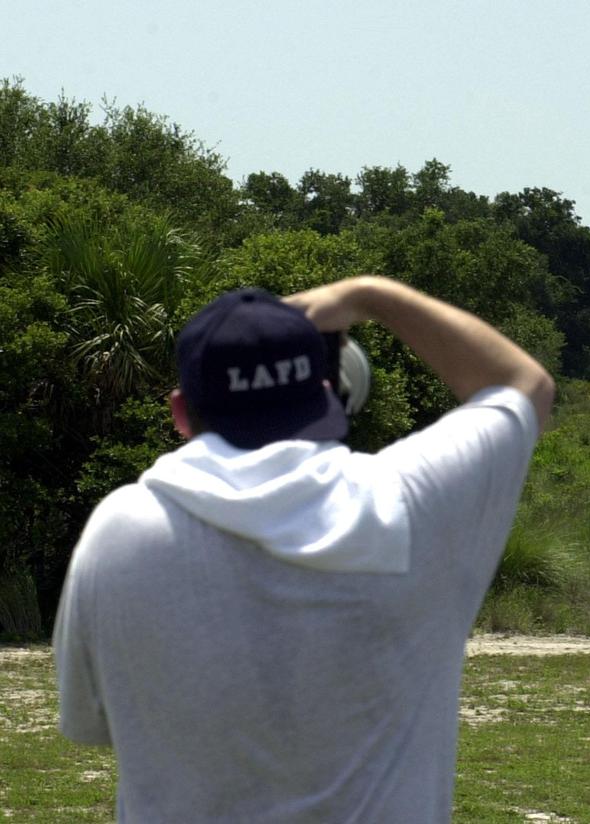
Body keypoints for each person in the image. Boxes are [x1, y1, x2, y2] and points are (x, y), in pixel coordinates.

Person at [54, 275, 555, 822]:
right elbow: (523, 385)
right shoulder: (400, 505)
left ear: (180, 411)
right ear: (324, 393)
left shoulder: (117, 531)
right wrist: (370, 296)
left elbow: (90, 723)